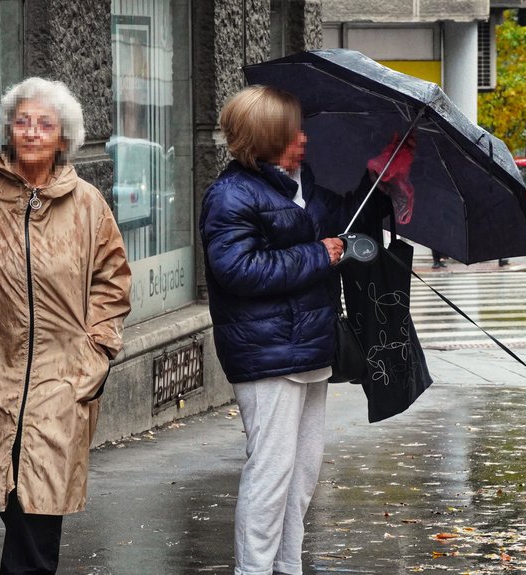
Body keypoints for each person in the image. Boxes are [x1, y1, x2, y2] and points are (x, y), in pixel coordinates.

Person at [0, 77, 132, 574]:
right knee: (13, 498)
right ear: (9, 131)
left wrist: (97, 352)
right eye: (22, 122)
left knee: (39, 511)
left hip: (63, 380)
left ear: (63, 138)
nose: (32, 132)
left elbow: (113, 282)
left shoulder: (87, 205)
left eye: (45, 124)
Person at [201, 85, 403, 575]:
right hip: (266, 354)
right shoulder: (230, 196)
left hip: (311, 347)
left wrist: (385, 178)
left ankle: (287, 564)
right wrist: (319, 254)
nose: (304, 139)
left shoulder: (303, 183)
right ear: (267, 137)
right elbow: (237, 270)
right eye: (293, 132)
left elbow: (346, 219)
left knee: (303, 473)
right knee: (270, 473)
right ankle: (253, 569)